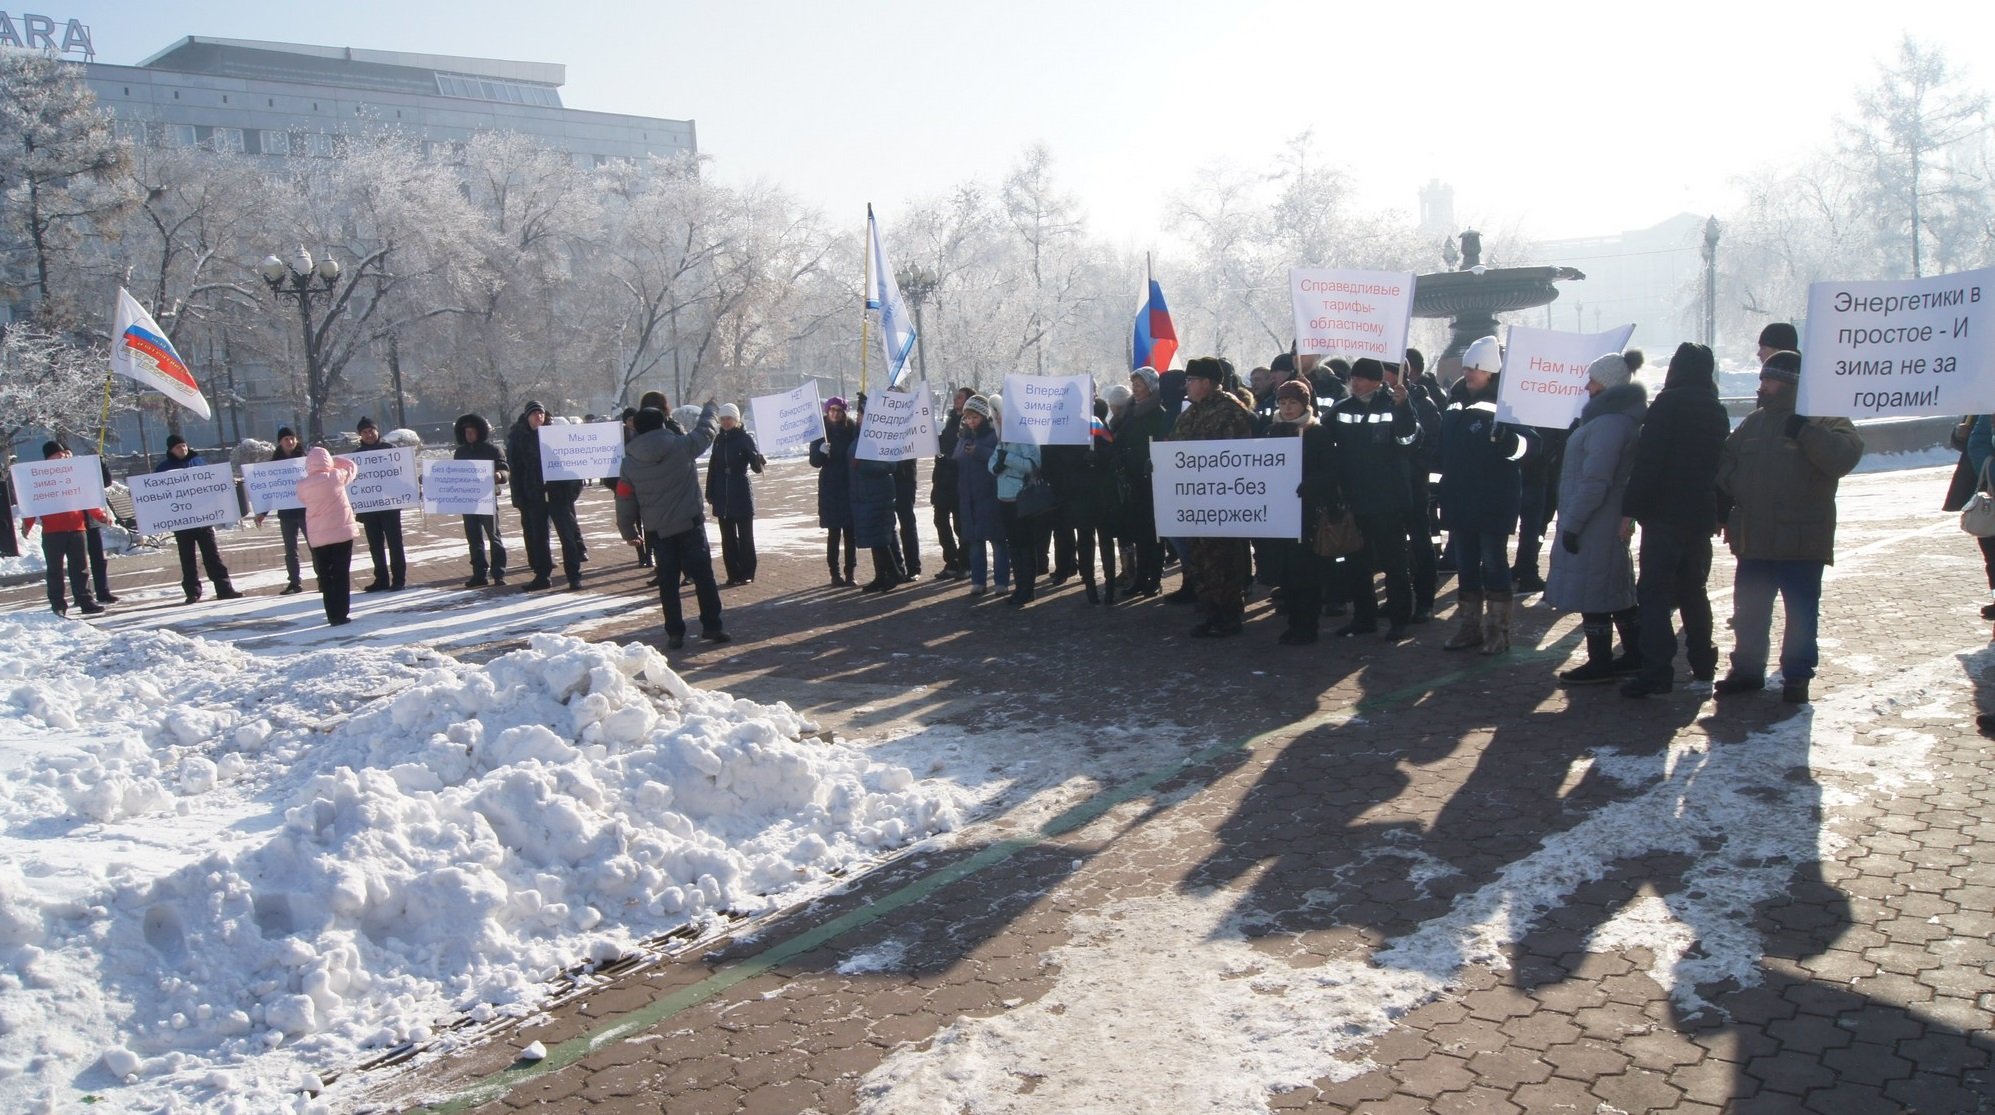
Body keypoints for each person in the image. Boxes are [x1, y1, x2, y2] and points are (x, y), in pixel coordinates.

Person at [1713, 350, 1864, 704]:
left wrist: (1808, 433)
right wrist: (1732, 489)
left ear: (1791, 382)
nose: (1761, 386)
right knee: (1749, 611)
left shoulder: (1825, 418)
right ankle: (1747, 671)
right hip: (1755, 539)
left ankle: (1796, 676)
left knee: (1800, 612)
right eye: (1762, 379)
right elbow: (1726, 461)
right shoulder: (1754, 422)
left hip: (1801, 540)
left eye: (1769, 379)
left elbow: (1844, 457)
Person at [1620, 343, 1730, 699]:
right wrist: (1720, 512)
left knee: (1653, 592)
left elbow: (1648, 463)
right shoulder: (1715, 408)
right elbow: (1722, 468)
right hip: (1698, 514)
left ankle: (1656, 670)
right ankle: (1702, 661)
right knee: (1693, 590)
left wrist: (1631, 509)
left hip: (1664, 513)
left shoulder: (1667, 405)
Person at [1543, 350, 1648, 685]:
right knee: (1613, 589)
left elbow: (1595, 480)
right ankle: (1633, 654)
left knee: (1596, 591)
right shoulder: (1613, 421)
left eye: (1592, 380)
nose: (1587, 386)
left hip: (1594, 522)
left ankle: (1601, 661)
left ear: (1607, 384)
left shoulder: (1608, 425)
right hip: (1602, 519)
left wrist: (1573, 524)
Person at [1438, 337, 1536, 654]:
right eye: (1467, 367)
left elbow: (1532, 448)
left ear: (1490, 373)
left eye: (1474, 369)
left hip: (1493, 499)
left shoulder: (1507, 405)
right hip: (1459, 498)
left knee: (1494, 564)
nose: (1467, 373)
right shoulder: (1454, 403)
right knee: (1466, 566)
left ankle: (1499, 632)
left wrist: (1508, 440)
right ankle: (1469, 628)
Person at [620, 404, 730, 649]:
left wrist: (628, 530)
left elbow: (624, 498)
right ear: (662, 424)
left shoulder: (629, 462)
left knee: (668, 584)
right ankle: (712, 626)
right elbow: (706, 432)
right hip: (690, 524)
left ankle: (675, 633)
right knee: (703, 578)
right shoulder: (682, 445)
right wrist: (710, 408)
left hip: (658, 531)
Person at [1327, 357, 1421, 639]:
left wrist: (1404, 407)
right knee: (1357, 564)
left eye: (1362, 378)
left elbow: (1410, 441)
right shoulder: (1342, 409)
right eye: (1353, 377)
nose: (1354, 383)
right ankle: (1364, 618)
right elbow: (1321, 440)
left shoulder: (1395, 405)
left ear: (1377, 381)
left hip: (1387, 501)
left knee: (1394, 564)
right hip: (1355, 501)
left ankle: (1399, 620)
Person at [1173, 356, 1258, 637]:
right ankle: (1211, 612)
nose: (1187, 385)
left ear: (1206, 383)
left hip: (1223, 503)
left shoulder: (1230, 411)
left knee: (1225, 560)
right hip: (1195, 501)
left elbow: (1239, 458)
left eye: (1191, 380)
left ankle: (1229, 615)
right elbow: (1174, 446)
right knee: (1200, 558)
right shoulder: (1191, 413)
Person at [1269, 381, 1330, 644]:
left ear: (1304, 404)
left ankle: (1307, 625)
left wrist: (1311, 484)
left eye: (1292, 402)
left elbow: (1330, 471)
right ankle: (1293, 620)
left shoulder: (1318, 434)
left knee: (1305, 572)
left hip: (1307, 514)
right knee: (1287, 572)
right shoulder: (1271, 432)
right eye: (1282, 403)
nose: (1287, 408)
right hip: (1279, 513)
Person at [20, 441, 107, 617]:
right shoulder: (40, 477)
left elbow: (85, 497)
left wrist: (100, 515)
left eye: (62, 454)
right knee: (55, 569)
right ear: (48, 458)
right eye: (57, 455)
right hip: (53, 532)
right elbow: (33, 502)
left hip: (77, 528)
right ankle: (58, 603)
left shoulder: (73, 474)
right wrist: (27, 525)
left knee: (81, 568)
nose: (62, 457)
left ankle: (85, 600)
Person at [508, 400, 583, 591]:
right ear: (527, 417)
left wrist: (572, 492)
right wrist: (519, 497)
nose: (538, 417)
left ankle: (574, 575)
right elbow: (515, 470)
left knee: (567, 537)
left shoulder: (557, 435)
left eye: (541, 413)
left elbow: (573, 463)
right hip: (535, 495)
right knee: (539, 538)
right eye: (534, 414)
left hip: (559, 495)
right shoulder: (519, 438)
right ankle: (542, 575)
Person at [155, 435, 241, 604]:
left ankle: (224, 588)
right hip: (182, 521)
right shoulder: (163, 468)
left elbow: (212, 483)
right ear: (171, 450)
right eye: (178, 447)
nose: (183, 449)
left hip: (203, 519)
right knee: (187, 558)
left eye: (184, 446)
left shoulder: (199, 462)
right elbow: (156, 492)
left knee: (212, 556)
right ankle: (192, 592)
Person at [1113, 366, 1172, 599]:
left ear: (1150, 386)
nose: (1135, 388)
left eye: (1139, 384)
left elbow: (1161, 441)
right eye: (1133, 384)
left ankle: (1155, 577)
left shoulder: (1158, 411)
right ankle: (1139, 576)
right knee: (1138, 531)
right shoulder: (1130, 410)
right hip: (1131, 478)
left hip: (1151, 478)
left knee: (1153, 532)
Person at [294, 446, 360, 626]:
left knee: (326, 576)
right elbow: (351, 466)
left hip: (318, 536)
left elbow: (302, 500)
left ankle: (331, 613)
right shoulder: (336, 476)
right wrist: (336, 461)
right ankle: (342, 613)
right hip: (341, 533)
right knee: (341, 574)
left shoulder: (302, 485)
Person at [989, 394, 1045, 606]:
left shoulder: (1023, 435)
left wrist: (1008, 460)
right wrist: (996, 467)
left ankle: (1027, 589)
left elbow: (1033, 464)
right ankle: (1019, 586)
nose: (998, 418)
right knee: (1014, 545)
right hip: (1004, 497)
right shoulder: (1003, 437)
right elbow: (992, 461)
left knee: (1024, 545)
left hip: (1020, 498)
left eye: (1000, 414)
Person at [953, 393, 1008, 597]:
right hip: (968, 498)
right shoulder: (963, 437)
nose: (971, 421)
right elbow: (957, 459)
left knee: (997, 540)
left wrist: (979, 452)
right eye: (968, 417)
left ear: (984, 417)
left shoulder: (995, 436)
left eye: (975, 417)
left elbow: (1000, 460)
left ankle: (1001, 581)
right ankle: (978, 581)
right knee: (975, 542)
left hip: (990, 496)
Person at [706, 403, 765, 586]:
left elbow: (756, 468)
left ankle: (747, 572)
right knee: (728, 537)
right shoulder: (718, 440)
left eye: (729, 418)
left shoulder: (744, 438)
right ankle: (733, 572)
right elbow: (712, 467)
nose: (725, 422)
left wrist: (759, 460)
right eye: (722, 419)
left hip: (740, 491)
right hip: (722, 493)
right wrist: (710, 491)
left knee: (746, 536)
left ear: (736, 420)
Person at [348, 417, 407, 592]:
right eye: (364, 432)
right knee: (375, 545)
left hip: (390, 505)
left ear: (377, 431)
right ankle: (381, 579)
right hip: (369, 508)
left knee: (395, 543)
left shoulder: (390, 450)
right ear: (360, 435)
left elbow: (400, 474)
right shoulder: (356, 456)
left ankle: (399, 579)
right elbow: (353, 482)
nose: (369, 434)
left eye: (371, 430)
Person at [453, 413, 510, 587]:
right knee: (474, 539)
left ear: (480, 432)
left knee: (494, 536)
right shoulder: (460, 452)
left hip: (487, 499)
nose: (469, 435)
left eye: (473, 432)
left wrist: (499, 475)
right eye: (467, 432)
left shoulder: (493, 450)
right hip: (468, 500)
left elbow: (505, 469)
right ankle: (479, 573)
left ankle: (498, 573)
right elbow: (453, 475)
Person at [251, 427, 309, 594]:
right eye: (286, 439)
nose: (290, 442)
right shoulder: (274, 465)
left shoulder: (305, 460)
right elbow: (271, 491)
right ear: (280, 442)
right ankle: (294, 582)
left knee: (315, 546)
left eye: (292, 438)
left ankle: (322, 578)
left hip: (306, 511)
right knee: (290, 549)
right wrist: (263, 512)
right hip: (286, 513)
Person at [810, 397, 859, 586]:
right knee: (833, 533)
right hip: (830, 488)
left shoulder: (851, 429)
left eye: (839, 410)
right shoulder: (820, 432)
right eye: (832, 410)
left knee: (850, 533)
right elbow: (814, 461)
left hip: (848, 485)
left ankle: (850, 572)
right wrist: (821, 451)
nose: (835, 413)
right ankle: (834, 572)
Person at [931, 387, 969, 581]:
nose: (956, 400)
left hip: (959, 480)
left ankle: (965, 562)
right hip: (943, 479)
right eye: (956, 397)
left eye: (960, 397)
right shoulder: (951, 421)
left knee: (960, 525)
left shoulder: (970, 424)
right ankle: (951, 560)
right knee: (940, 520)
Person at [83, 455, 118, 603]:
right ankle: (82, 595)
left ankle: (102, 591)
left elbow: (104, 482)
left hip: (91, 521)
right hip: (71, 525)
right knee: (78, 563)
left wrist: (102, 466)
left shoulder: (81, 470)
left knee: (98, 558)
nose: (66, 456)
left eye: (67, 453)